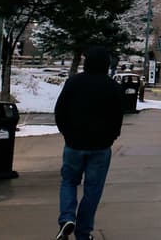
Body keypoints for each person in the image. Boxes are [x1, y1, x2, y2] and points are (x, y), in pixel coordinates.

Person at [54, 45, 125, 240]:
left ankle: (67, 217)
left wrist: (67, 133)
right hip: (101, 146)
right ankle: (83, 232)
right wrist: (112, 136)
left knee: (69, 181)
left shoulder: (73, 83)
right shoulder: (112, 87)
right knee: (93, 189)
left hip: (74, 143)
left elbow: (60, 111)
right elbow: (118, 116)